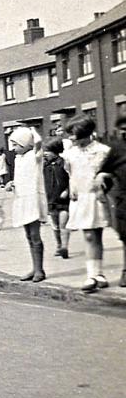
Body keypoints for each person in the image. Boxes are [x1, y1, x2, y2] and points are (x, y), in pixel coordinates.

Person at [63, 115, 111, 292]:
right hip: (81, 197)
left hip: (97, 197)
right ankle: (93, 275)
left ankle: (97, 274)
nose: (70, 138)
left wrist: (103, 176)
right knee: (89, 235)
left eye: (73, 134)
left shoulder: (102, 151)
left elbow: (110, 171)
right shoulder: (70, 153)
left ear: (84, 133)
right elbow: (71, 173)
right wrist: (71, 187)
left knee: (95, 234)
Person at [5, 127, 47, 282]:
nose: (13, 149)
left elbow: (38, 142)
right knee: (28, 235)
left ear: (26, 144)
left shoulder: (35, 156)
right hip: (21, 199)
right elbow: (22, 177)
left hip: (33, 199)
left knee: (35, 235)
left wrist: (32, 130)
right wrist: (12, 183)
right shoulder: (18, 159)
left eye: (16, 145)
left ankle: (40, 270)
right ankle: (34, 268)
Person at [95, 114, 126, 285]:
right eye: (123, 129)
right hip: (124, 199)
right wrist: (102, 177)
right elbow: (104, 171)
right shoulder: (117, 149)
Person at [43, 138, 71, 260]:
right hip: (50, 199)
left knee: (63, 224)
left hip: (63, 199)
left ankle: (65, 247)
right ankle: (59, 245)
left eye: (48, 151)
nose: (45, 153)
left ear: (56, 151)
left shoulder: (64, 163)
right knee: (55, 225)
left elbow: (72, 178)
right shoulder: (44, 165)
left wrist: (67, 190)